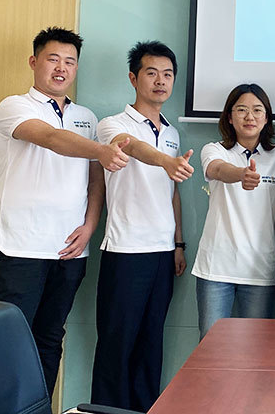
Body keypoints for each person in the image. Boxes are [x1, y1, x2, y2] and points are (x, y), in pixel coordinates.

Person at [0, 27, 129, 396]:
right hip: (20, 250)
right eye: (53, 59)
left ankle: (39, 406)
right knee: (5, 344)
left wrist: (90, 225)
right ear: (34, 62)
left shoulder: (86, 116)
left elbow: (94, 180)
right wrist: (99, 149)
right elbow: (49, 138)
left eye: (70, 62)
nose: (61, 68)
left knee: (50, 341)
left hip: (70, 251)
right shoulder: (14, 106)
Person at [91, 41, 194, 411]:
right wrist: (164, 161)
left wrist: (178, 244)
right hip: (125, 252)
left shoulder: (171, 132)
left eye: (168, 74)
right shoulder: (111, 125)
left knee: (151, 345)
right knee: (117, 346)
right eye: (152, 73)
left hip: (162, 254)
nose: (161, 81)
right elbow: (130, 146)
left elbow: (173, 192)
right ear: (134, 78)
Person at [192, 84, 275, 338]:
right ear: (229, 116)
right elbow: (217, 169)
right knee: (210, 349)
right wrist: (241, 175)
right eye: (242, 110)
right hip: (216, 268)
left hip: (260, 270)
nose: (250, 117)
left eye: (258, 110)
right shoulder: (215, 150)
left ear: (266, 118)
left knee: (254, 352)